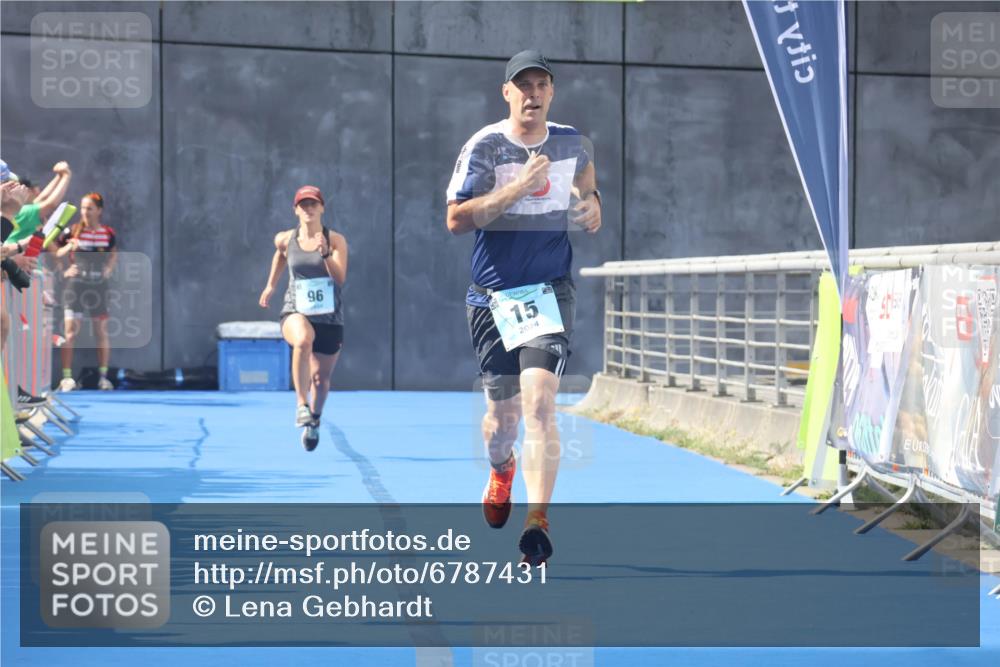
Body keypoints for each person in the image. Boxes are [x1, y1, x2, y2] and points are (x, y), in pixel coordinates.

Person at [445, 50, 602, 565]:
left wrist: (594, 199)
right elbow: (456, 219)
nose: (532, 94)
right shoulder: (485, 147)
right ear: (506, 92)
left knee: (540, 404)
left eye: (541, 84)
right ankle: (501, 468)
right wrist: (517, 186)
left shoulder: (569, 141)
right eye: (523, 85)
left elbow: (585, 171)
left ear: (551, 92)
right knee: (502, 422)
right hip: (493, 296)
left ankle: (538, 521)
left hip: (548, 291)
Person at [259, 185, 348, 451]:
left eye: (313, 204)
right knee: (302, 340)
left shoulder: (335, 241)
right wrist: (271, 286)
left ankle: (314, 421)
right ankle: (300, 403)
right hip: (295, 309)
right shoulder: (286, 238)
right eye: (303, 205)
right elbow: (280, 254)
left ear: (322, 208)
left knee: (320, 381)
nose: (308, 209)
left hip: (330, 318)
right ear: (295, 210)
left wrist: (324, 255)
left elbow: (340, 278)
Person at [54, 192, 117, 391]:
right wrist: (64, 269)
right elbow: (53, 249)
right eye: (82, 208)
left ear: (99, 210)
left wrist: (109, 268)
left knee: (101, 331)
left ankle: (103, 378)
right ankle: (66, 378)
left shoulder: (107, 233)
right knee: (70, 332)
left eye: (89, 208)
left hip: (98, 286)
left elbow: (113, 253)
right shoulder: (72, 231)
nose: (85, 212)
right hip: (76, 286)